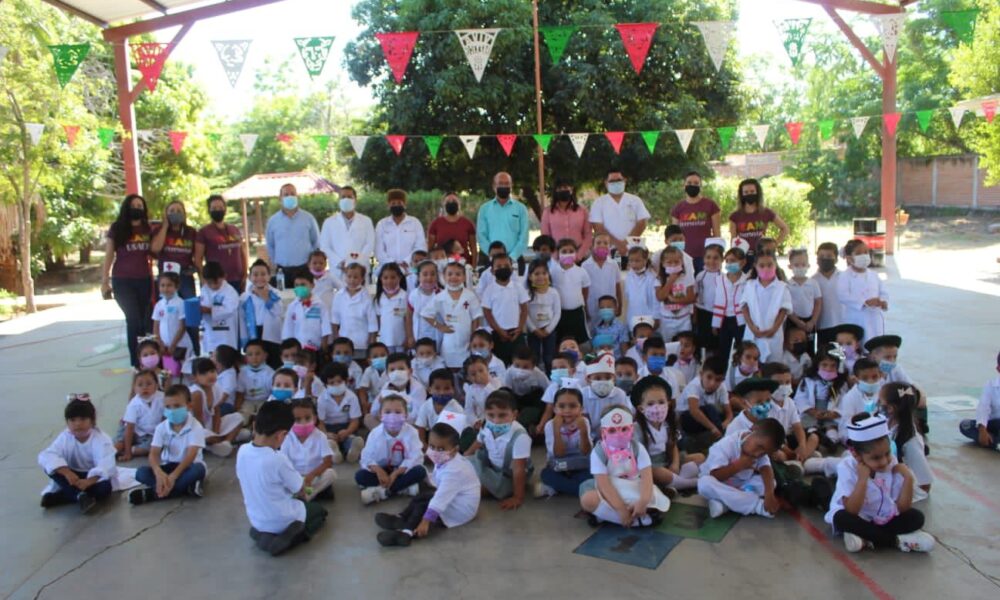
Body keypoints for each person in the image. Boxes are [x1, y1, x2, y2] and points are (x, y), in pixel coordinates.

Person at [825, 414, 934, 553]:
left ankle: (866, 537)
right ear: (857, 455)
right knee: (841, 518)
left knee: (916, 517)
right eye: (876, 458)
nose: (884, 461)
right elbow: (852, 510)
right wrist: (862, 479)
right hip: (858, 517)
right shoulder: (847, 467)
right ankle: (896, 541)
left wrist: (908, 478)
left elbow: (902, 508)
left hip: (884, 518)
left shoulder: (892, 462)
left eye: (887, 453)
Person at [374, 411, 481, 547]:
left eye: (441, 448)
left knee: (423, 506)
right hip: (453, 497)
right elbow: (438, 482)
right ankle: (401, 518)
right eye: (432, 446)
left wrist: (426, 521)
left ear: (454, 450)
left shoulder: (455, 471)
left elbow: (441, 498)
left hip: (460, 509)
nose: (435, 451)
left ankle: (406, 533)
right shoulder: (446, 459)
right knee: (422, 497)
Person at [237, 401, 328, 556]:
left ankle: (262, 534)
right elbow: (300, 490)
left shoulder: (242, 451)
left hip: (257, 520)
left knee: (269, 511)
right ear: (281, 435)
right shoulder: (278, 459)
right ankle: (294, 535)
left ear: (254, 426)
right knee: (319, 512)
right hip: (283, 518)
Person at [579, 406, 669, 527]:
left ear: (631, 429)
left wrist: (642, 502)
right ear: (603, 432)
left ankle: (606, 516)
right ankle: (638, 521)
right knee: (588, 500)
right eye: (612, 430)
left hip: (633, 488)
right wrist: (621, 509)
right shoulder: (598, 452)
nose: (618, 434)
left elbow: (647, 478)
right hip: (610, 492)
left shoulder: (638, 448)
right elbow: (604, 484)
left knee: (650, 499)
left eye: (624, 429)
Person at [130, 385, 207, 505]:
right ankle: (185, 489)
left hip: (188, 467)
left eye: (177, 406)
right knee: (141, 472)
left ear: (189, 406)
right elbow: (154, 453)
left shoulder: (196, 426)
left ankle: (153, 494)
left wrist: (173, 477)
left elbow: (191, 455)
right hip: (168, 466)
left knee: (198, 470)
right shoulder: (161, 428)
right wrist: (158, 472)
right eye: (168, 407)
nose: (172, 410)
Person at [38, 397, 118, 513]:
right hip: (71, 476)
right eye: (73, 420)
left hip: (92, 477)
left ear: (92, 420)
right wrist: (66, 472)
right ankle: (80, 496)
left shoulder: (101, 440)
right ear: (67, 422)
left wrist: (88, 481)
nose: (78, 424)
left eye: (83, 419)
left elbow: (106, 465)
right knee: (49, 466)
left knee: (105, 489)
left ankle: (65, 497)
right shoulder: (65, 437)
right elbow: (48, 455)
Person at [101, 194, 153, 367]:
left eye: (140, 205)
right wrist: (104, 280)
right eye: (134, 205)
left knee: (145, 321)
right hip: (122, 281)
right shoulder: (117, 228)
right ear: (126, 207)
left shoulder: (148, 228)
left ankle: (148, 359)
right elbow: (109, 255)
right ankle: (136, 363)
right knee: (133, 319)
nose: (137, 208)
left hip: (144, 280)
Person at [697, 417, 784, 518]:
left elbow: (766, 469)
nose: (758, 454)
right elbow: (716, 475)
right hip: (720, 483)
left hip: (741, 485)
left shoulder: (760, 450)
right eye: (759, 447)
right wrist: (738, 466)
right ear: (753, 430)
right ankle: (757, 506)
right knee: (704, 484)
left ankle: (725, 504)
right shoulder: (726, 444)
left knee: (771, 483)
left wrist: (769, 494)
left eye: (764, 453)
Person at [631, 376, 702, 492]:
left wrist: (675, 464)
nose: (657, 407)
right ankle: (692, 483)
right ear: (641, 408)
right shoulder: (637, 429)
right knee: (659, 473)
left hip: (667, 460)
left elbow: (673, 445)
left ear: (668, 403)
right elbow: (638, 459)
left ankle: (673, 483)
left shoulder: (668, 424)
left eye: (661, 402)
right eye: (650, 404)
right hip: (651, 466)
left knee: (699, 457)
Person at [465, 389, 533, 510]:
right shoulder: (487, 425)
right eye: (491, 415)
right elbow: (478, 442)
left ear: (514, 415)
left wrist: (518, 497)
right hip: (490, 466)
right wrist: (465, 458)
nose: (496, 421)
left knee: (475, 490)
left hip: (508, 475)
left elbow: (518, 469)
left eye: (502, 415)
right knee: (463, 467)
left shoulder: (520, 436)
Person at [355, 395, 426, 504]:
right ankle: (402, 488)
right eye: (387, 412)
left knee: (420, 471)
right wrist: (379, 471)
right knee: (360, 476)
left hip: (401, 470)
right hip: (382, 468)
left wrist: (396, 473)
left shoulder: (412, 432)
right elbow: (366, 457)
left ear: (406, 415)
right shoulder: (375, 433)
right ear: (380, 415)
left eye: (398, 412)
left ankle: (382, 492)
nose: (392, 416)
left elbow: (416, 457)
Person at [151, 200, 200, 354]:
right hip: (166, 278)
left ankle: (195, 351)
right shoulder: (160, 230)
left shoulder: (191, 232)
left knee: (190, 315)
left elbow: (197, 257)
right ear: (166, 214)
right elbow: (155, 249)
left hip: (185, 277)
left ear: (184, 214)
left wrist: (199, 274)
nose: (175, 213)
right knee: (164, 313)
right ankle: (164, 347)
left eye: (179, 210)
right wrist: (165, 226)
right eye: (171, 211)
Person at [421, 263, 484, 369]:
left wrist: (473, 338)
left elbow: (476, 318)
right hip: (449, 339)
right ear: (444, 277)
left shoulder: (470, 295)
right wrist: (440, 327)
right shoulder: (440, 297)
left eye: (458, 274)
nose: (454, 277)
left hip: (467, 339)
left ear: (464, 277)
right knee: (449, 368)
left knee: (467, 368)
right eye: (450, 274)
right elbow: (426, 314)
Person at [536, 386, 593, 497]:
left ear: (581, 409)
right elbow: (559, 454)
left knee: (591, 475)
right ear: (555, 409)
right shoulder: (550, 425)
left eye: (573, 406)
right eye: (562, 406)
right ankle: (581, 489)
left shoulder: (584, 422)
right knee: (546, 474)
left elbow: (586, 452)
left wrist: (583, 431)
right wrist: (556, 430)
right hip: (558, 466)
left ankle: (558, 489)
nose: (567, 410)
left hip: (581, 465)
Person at [879, 383, 932, 501]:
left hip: (904, 487)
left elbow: (924, 482)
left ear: (890, 408)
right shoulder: (890, 422)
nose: (878, 405)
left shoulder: (911, 441)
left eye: (880, 401)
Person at [589, 170, 650, 265]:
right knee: (613, 274)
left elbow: (642, 222)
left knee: (632, 275)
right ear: (606, 183)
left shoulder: (635, 200)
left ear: (624, 180)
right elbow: (598, 227)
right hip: (609, 249)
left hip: (632, 249)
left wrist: (626, 243)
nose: (615, 183)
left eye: (618, 180)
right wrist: (618, 245)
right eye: (612, 181)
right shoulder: (599, 203)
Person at [280, 398, 337, 501]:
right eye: (297, 419)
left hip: (315, 476)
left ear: (314, 418)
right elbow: (284, 462)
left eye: (307, 418)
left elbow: (327, 462)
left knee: (331, 474)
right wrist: (296, 477)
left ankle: (307, 495)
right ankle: (306, 492)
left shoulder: (320, 436)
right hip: (295, 476)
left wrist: (311, 475)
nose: (303, 423)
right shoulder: (287, 437)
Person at [265, 183, 321, 286]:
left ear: (297, 197)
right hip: (282, 271)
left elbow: (316, 242)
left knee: (305, 300)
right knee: (283, 299)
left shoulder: (308, 218)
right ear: (280, 198)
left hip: (304, 270)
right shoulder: (273, 221)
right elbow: (270, 245)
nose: (290, 197)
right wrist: (274, 263)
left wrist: (312, 263)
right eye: (286, 194)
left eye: (292, 194)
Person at [740, 253, 792, 362]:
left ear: (775, 265)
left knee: (772, 367)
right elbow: (744, 308)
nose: (766, 268)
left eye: (770, 265)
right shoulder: (749, 285)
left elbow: (783, 311)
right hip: (753, 333)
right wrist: (752, 327)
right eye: (762, 266)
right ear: (755, 266)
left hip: (773, 334)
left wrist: (773, 329)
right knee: (751, 364)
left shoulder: (782, 287)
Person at [728, 179, 788, 270]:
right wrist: (734, 258)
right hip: (743, 257)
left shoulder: (766, 212)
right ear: (741, 195)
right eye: (746, 192)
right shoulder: (735, 216)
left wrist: (774, 244)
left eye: (752, 191)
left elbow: (784, 228)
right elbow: (733, 239)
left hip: (763, 256)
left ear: (758, 193)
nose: (749, 194)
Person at [796, 345, 849, 448]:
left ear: (838, 367)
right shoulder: (808, 380)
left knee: (831, 427)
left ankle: (832, 441)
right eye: (824, 365)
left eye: (833, 365)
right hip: (812, 412)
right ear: (817, 365)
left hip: (830, 412)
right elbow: (800, 398)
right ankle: (815, 435)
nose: (828, 369)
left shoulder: (841, 383)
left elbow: (845, 401)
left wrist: (835, 413)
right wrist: (812, 411)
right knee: (809, 424)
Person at [319, 185, 375, 279]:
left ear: (355, 200)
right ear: (339, 201)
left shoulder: (366, 221)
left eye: (349, 197)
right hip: (338, 271)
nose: (346, 199)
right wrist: (340, 263)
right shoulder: (329, 222)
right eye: (343, 197)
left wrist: (357, 262)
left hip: (360, 270)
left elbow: (370, 244)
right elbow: (325, 246)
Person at [837, 239, 887, 344]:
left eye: (866, 252)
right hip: (856, 317)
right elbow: (843, 295)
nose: (864, 255)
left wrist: (883, 302)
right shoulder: (844, 276)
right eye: (859, 253)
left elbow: (883, 291)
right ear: (850, 258)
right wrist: (864, 302)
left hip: (875, 317)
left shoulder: (874, 275)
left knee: (876, 345)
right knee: (860, 345)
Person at [477, 172, 530, 270]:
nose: (504, 186)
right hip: (491, 261)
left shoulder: (521, 208)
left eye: (507, 184)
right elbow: (481, 236)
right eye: (500, 183)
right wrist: (493, 256)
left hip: (515, 261)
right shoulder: (484, 209)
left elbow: (524, 237)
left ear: (511, 186)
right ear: (494, 186)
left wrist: (511, 257)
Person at [195, 194, 248, 293]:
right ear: (209, 210)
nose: (217, 210)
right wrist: (204, 278)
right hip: (216, 282)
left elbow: (242, 253)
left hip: (237, 279)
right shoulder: (204, 232)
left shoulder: (234, 229)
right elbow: (198, 259)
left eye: (220, 207)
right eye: (214, 208)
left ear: (225, 209)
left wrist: (245, 274)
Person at [670, 171, 721, 272]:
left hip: (706, 256)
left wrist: (717, 255)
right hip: (684, 256)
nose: (692, 185)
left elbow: (717, 233)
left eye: (696, 183)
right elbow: (674, 235)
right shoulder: (678, 208)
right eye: (689, 183)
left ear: (700, 186)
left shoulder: (711, 205)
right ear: (684, 185)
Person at [238, 260, 285, 369]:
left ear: (269, 276)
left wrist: (266, 298)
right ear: (249, 277)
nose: (259, 277)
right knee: (257, 363)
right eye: (255, 274)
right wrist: (244, 339)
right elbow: (242, 319)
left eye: (263, 274)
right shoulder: (244, 297)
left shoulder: (275, 293)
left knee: (273, 363)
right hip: (254, 333)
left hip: (271, 334)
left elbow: (278, 312)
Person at [679, 356, 732, 447]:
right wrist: (713, 429)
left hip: (707, 419)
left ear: (722, 380)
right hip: (686, 418)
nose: (712, 383)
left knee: (723, 413)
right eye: (709, 377)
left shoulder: (722, 387)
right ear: (701, 374)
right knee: (710, 408)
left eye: (718, 380)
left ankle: (720, 434)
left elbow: (729, 413)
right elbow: (694, 411)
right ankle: (721, 436)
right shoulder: (694, 385)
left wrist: (726, 422)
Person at [374, 188, 427, 273]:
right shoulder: (382, 224)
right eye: (393, 203)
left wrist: (406, 262)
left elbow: (420, 246)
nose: (396, 205)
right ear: (388, 205)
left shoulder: (415, 223)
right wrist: (393, 264)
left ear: (405, 204)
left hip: (411, 270)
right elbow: (378, 250)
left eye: (399, 203)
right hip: (388, 271)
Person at [114, 370, 163, 461]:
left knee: (153, 448)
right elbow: (129, 428)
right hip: (131, 430)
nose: (145, 387)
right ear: (135, 389)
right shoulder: (134, 404)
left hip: (150, 434)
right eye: (140, 385)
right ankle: (122, 448)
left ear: (156, 386)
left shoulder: (162, 398)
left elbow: (165, 418)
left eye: (149, 384)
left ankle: (130, 449)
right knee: (117, 447)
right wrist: (128, 454)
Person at [152, 272, 192, 379]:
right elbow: (156, 326)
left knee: (186, 371)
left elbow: (182, 327)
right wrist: (159, 343)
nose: (165, 288)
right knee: (170, 373)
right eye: (162, 285)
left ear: (176, 287)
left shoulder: (180, 303)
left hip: (181, 344)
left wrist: (173, 344)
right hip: (165, 347)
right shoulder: (158, 305)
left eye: (169, 285)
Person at [541, 180, 592, 262]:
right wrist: (556, 256)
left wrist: (578, 256)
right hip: (556, 258)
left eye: (565, 187)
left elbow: (588, 235)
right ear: (555, 191)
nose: (562, 190)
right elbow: (545, 237)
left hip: (580, 258)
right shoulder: (548, 212)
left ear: (571, 190)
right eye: (559, 188)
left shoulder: (582, 211)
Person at [524, 258, 561, 371]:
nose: (541, 276)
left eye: (544, 273)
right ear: (530, 277)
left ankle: (550, 378)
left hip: (549, 330)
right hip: (534, 331)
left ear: (548, 275)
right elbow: (525, 314)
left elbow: (557, 313)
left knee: (549, 357)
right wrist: (534, 329)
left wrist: (548, 330)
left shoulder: (553, 292)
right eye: (536, 274)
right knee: (534, 356)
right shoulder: (527, 294)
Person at [553, 238, 591, 345]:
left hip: (577, 312)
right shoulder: (553, 271)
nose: (567, 254)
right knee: (560, 341)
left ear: (576, 253)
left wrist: (584, 307)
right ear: (558, 253)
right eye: (564, 252)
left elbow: (585, 290)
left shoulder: (581, 271)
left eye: (571, 251)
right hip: (559, 313)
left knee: (580, 341)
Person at [712, 246, 748, 360]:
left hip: (740, 320)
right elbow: (717, 300)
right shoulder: (719, 279)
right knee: (723, 349)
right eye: (727, 261)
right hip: (724, 320)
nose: (729, 263)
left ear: (742, 262)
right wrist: (715, 323)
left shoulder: (748, 281)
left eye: (733, 261)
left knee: (741, 348)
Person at [960, 350, 1000, 449]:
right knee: (965, 425)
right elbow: (983, 408)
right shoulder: (990, 385)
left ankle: (994, 442)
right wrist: (982, 430)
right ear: (998, 369)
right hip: (994, 425)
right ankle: (994, 441)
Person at [581, 232, 623, 326]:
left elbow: (617, 287)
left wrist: (620, 306)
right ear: (592, 246)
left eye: (605, 243)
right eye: (598, 243)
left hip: (609, 308)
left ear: (610, 247)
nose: (602, 245)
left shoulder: (614, 265)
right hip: (592, 308)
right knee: (593, 333)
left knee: (610, 331)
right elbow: (583, 291)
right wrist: (585, 310)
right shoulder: (585, 266)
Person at [655, 246, 696, 343]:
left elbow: (691, 298)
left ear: (682, 262)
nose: (673, 265)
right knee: (668, 346)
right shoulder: (659, 279)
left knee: (685, 344)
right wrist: (671, 281)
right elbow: (660, 297)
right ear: (663, 264)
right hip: (667, 321)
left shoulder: (686, 277)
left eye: (676, 262)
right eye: (669, 263)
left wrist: (675, 300)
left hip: (684, 319)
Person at [199, 261, 240, 354]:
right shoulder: (204, 289)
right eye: (209, 283)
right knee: (211, 354)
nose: (213, 286)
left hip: (226, 333)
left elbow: (230, 310)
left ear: (223, 276)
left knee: (226, 356)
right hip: (210, 331)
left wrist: (209, 310)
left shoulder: (230, 291)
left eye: (216, 283)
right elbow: (202, 305)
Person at [427, 192, 477, 265]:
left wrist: (474, 267)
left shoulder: (467, 224)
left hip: (464, 265)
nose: (451, 203)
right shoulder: (435, 224)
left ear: (459, 203)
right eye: (448, 201)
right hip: (442, 265)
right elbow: (430, 249)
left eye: (454, 201)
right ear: (443, 204)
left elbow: (473, 249)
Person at [374, 263, 412, 353]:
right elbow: (378, 319)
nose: (389, 281)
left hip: (401, 340)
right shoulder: (379, 298)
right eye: (385, 278)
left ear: (399, 277)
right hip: (385, 340)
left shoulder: (405, 296)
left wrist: (408, 337)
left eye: (393, 277)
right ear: (380, 279)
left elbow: (408, 319)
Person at [813, 242, 843, 348]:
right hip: (822, 326)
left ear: (836, 258)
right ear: (817, 259)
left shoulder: (844, 278)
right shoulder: (813, 280)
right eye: (821, 256)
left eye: (829, 256)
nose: (825, 259)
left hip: (842, 325)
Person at [624, 245, 659, 327]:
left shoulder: (652, 278)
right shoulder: (629, 276)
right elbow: (628, 295)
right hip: (632, 315)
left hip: (648, 317)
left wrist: (656, 317)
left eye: (637, 261)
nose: (634, 264)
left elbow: (656, 301)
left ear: (645, 260)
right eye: (631, 261)